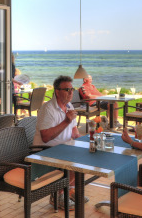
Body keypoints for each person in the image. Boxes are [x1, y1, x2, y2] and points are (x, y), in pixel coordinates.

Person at [33, 75, 82, 209]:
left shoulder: (69, 105)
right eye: (67, 90)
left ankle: (69, 191)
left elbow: (74, 132)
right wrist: (66, 121)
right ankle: (58, 196)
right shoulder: (48, 109)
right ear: (57, 91)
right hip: (45, 152)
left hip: (63, 149)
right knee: (76, 163)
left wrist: (85, 141)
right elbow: (46, 137)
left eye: (72, 89)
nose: (71, 92)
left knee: (85, 158)